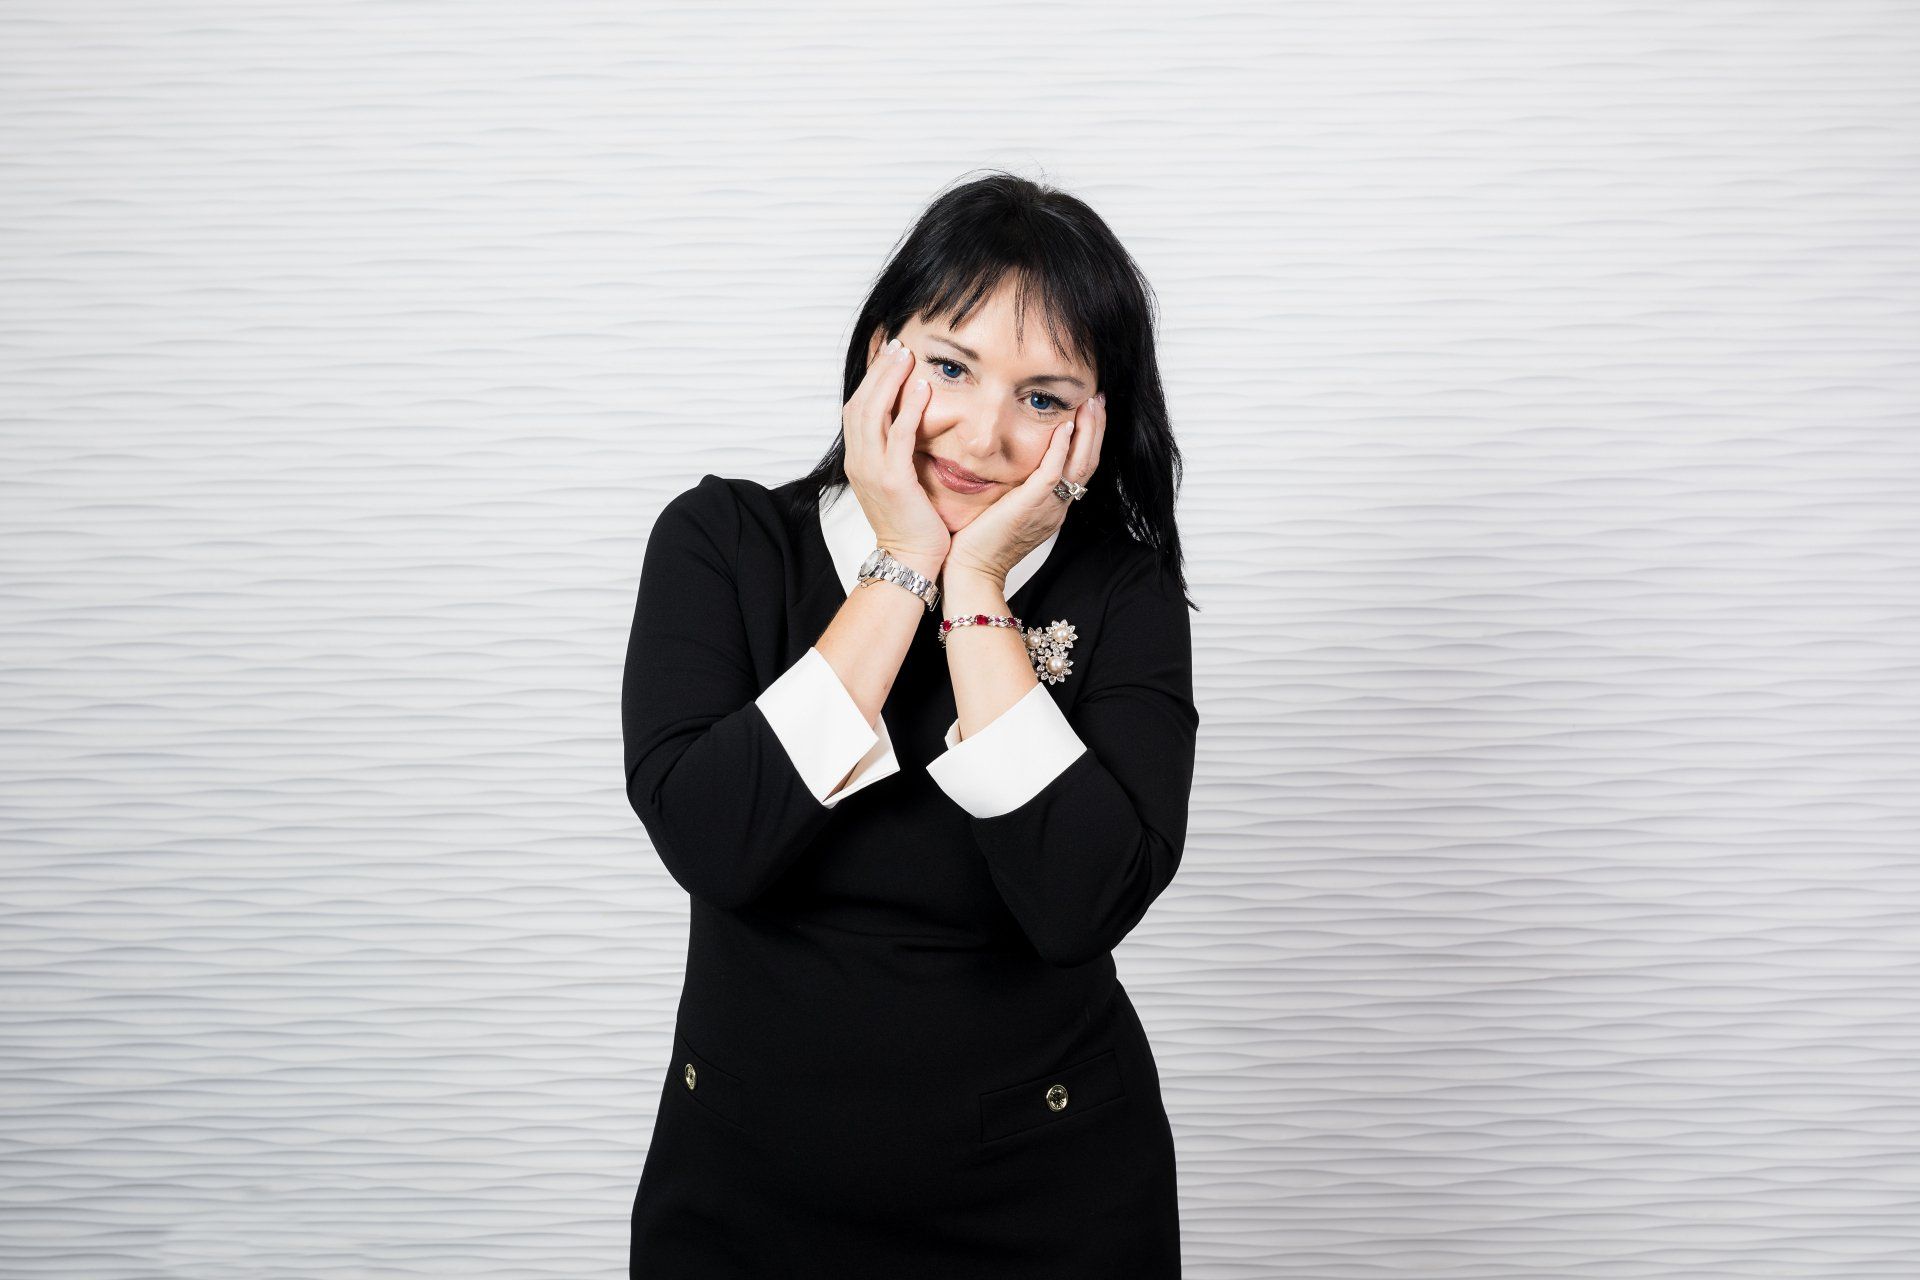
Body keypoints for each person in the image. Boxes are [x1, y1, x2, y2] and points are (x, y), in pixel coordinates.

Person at [622, 171, 1199, 1277]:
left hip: (1051, 1197)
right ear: (882, 352)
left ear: (1095, 423)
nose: (982, 433)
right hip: (743, 1196)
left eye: (1043, 396)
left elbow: (1083, 901)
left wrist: (976, 586)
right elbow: (714, 839)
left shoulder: (1125, 595)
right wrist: (902, 567)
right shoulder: (722, 542)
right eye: (950, 365)